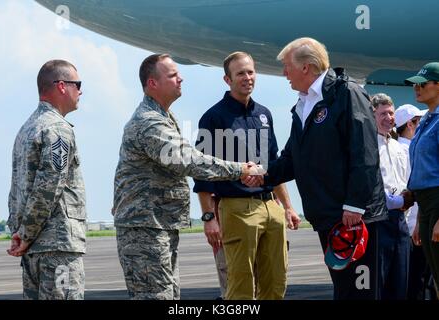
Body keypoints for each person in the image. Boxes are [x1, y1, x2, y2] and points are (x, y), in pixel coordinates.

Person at [244, 37, 388, 299]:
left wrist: (355, 205)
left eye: (287, 66)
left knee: (361, 292)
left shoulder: (346, 94)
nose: (283, 73)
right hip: (328, 216)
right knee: (345, 291)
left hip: (355, 219)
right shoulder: (303, 103)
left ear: (306, 67)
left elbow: (364, 152)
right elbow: (293, 157)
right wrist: (264, 176)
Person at [112, 53, 260, 300]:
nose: (181, 79)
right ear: (153, 83)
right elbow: (188, 160)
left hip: (157, 224)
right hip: (146, 228)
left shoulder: (163, 117)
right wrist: (239, 169)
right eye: (172, 75)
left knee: (168, 296)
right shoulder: (150, 123)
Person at [193, 52, 301, 300]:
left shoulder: (264, 114)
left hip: (270, 207)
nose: (247, 77)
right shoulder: (213, 118)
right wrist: (209, 217)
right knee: (241, 287)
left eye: (251, 71)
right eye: (240, 73)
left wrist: (287, 207)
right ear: (227, 79)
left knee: (276, 284)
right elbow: (201, 172)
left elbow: (274, 165)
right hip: (236, 209)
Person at [7, 60, 86, 300]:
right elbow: (49, 187)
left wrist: (21, 233)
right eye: (77, 84)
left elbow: (16, 191)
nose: (80, 91)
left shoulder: (27, 128)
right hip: (57, 247)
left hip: (33, 248)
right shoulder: (57, 129)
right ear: (62, 86)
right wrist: (27, 234)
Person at [371, 94, 412, 299]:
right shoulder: (368, 146)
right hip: (380, 221)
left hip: (400, 222)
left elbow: (406, 180)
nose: (388, 117)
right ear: (373, 115)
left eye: (391, 113)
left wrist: (407, 200)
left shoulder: (399, 148)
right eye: (383, 113)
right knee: (379, 282)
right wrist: (396, 201)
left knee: (400, 282)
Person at [404, 62, 439, 298]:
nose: (417, 88)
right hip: (426, 206)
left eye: (422, 84)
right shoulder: (427, 119)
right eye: (415, 84)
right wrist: (419, 220)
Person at [394, 104, 429, 299]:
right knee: (418, 283)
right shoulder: (410, 151)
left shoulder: (396, 148)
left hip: (406, 225)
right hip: (416, 226)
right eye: (420, 121)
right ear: (410, 124)